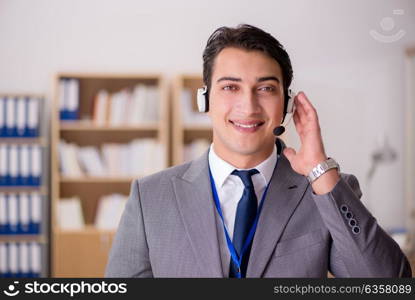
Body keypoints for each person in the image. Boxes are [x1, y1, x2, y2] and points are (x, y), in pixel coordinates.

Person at [105, 24, 412, 278]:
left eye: (265, 88)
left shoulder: (324, 191)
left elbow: (389, 283)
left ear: (287, 105)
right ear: (204, 100)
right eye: (230, 87)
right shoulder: (150, 197)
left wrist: (320, 171)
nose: (248, 106)